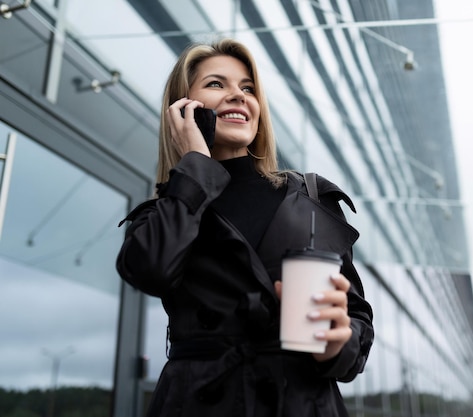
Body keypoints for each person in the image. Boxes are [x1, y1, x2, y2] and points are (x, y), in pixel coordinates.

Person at [116, 38, 374, 417]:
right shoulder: (166, 211)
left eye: (248, 88)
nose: (238, 95)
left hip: (302, 403)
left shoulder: (312, 197)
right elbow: (151, 269)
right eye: (216, 84)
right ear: (181, 109)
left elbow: (357, 320)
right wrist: (194, 163)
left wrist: (340, 342)